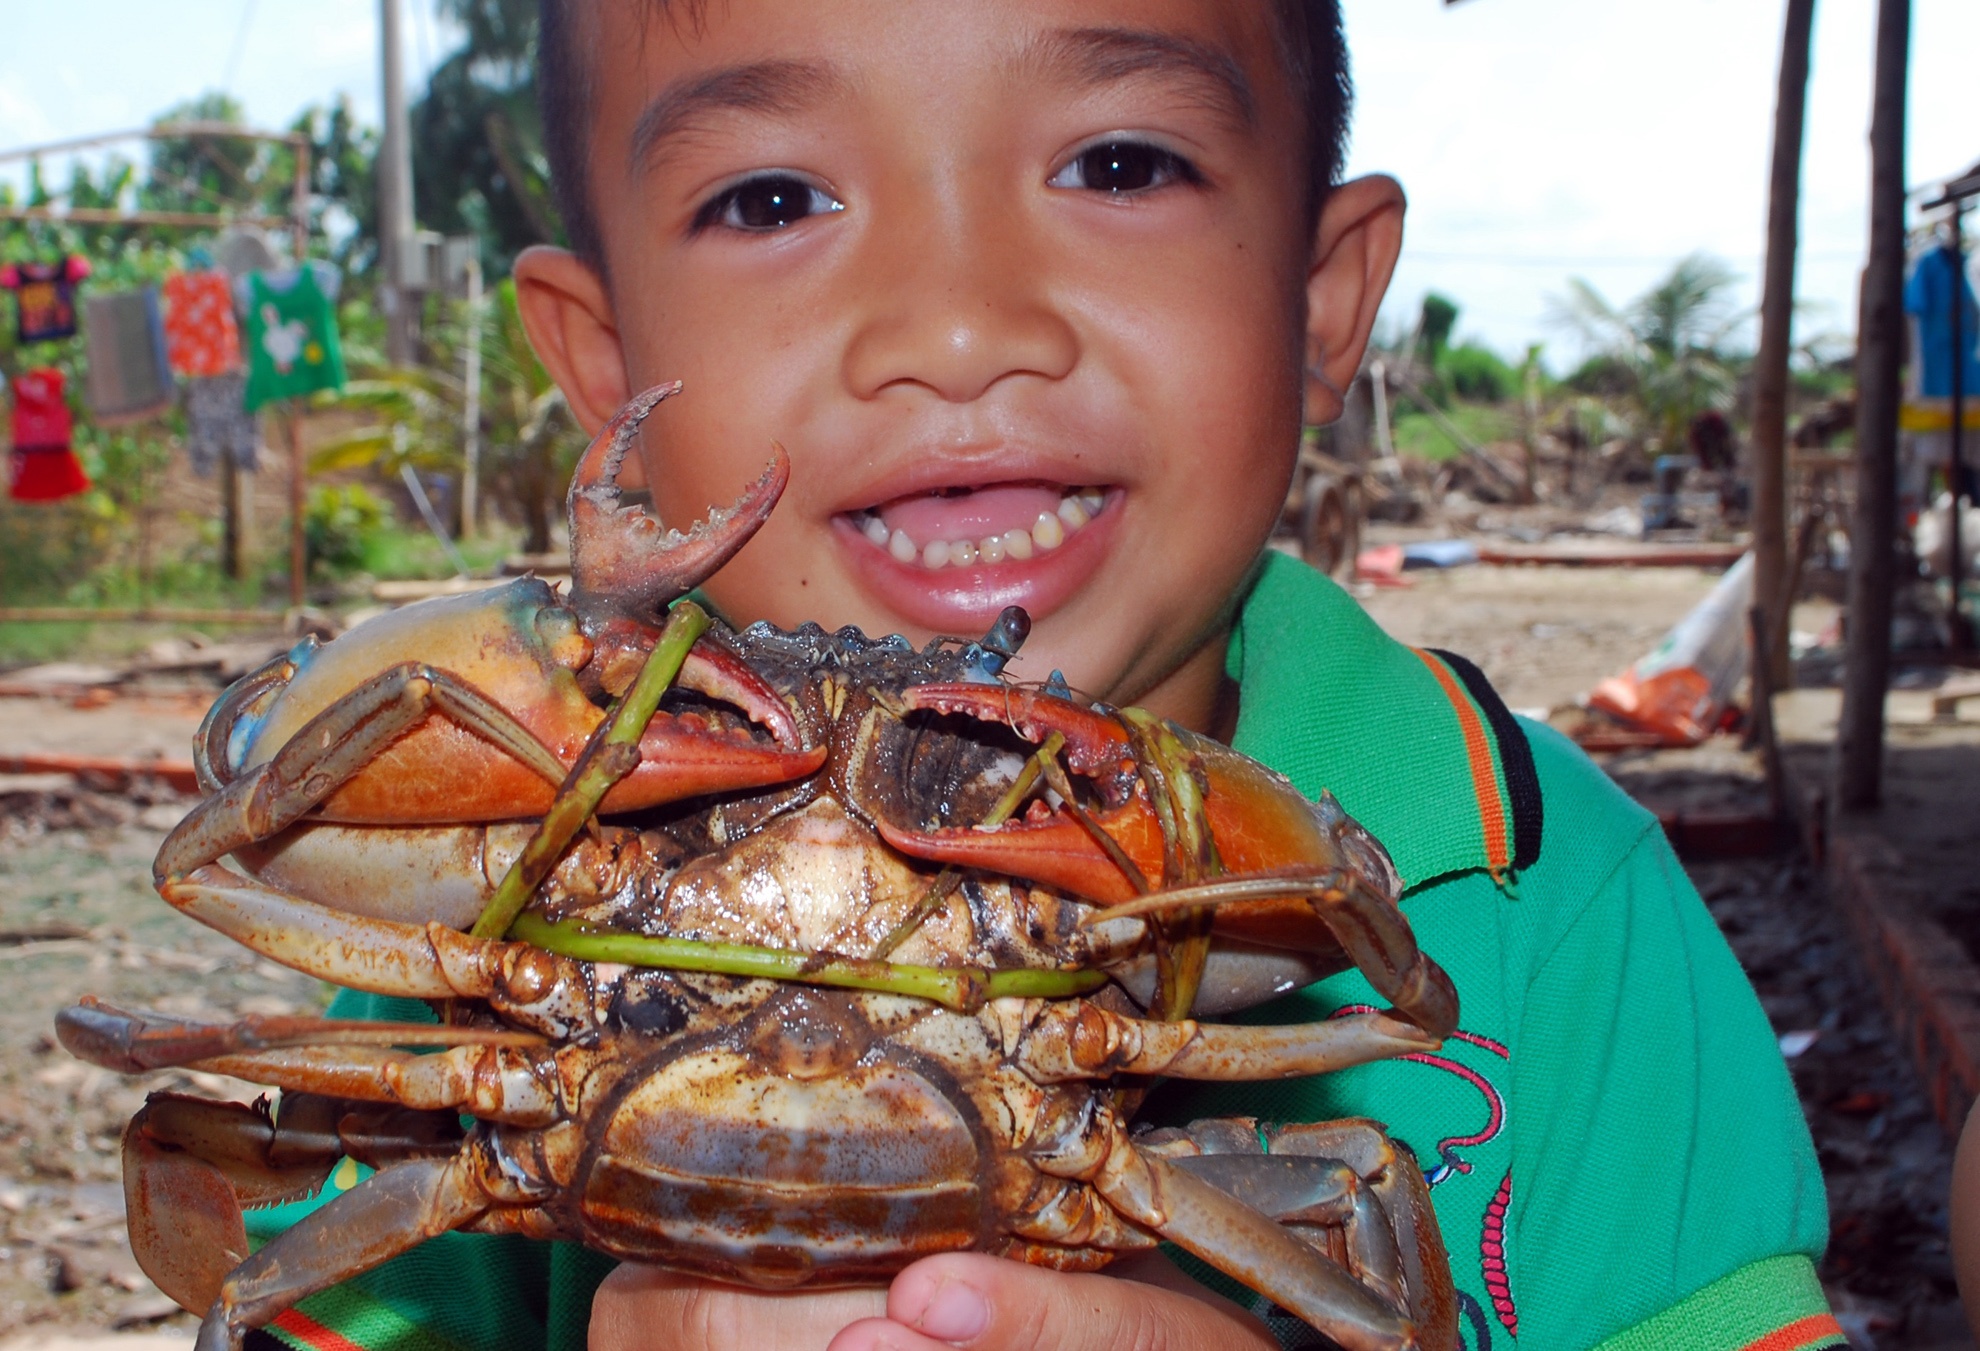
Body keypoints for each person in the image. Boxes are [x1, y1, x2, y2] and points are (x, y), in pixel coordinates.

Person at [242, 3, 1840, 1349]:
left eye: (1118, 163)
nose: (956, 327)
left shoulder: (1557, 911)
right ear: (602, 368)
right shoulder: (485, 913)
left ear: (1325, 297)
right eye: (777, 200)